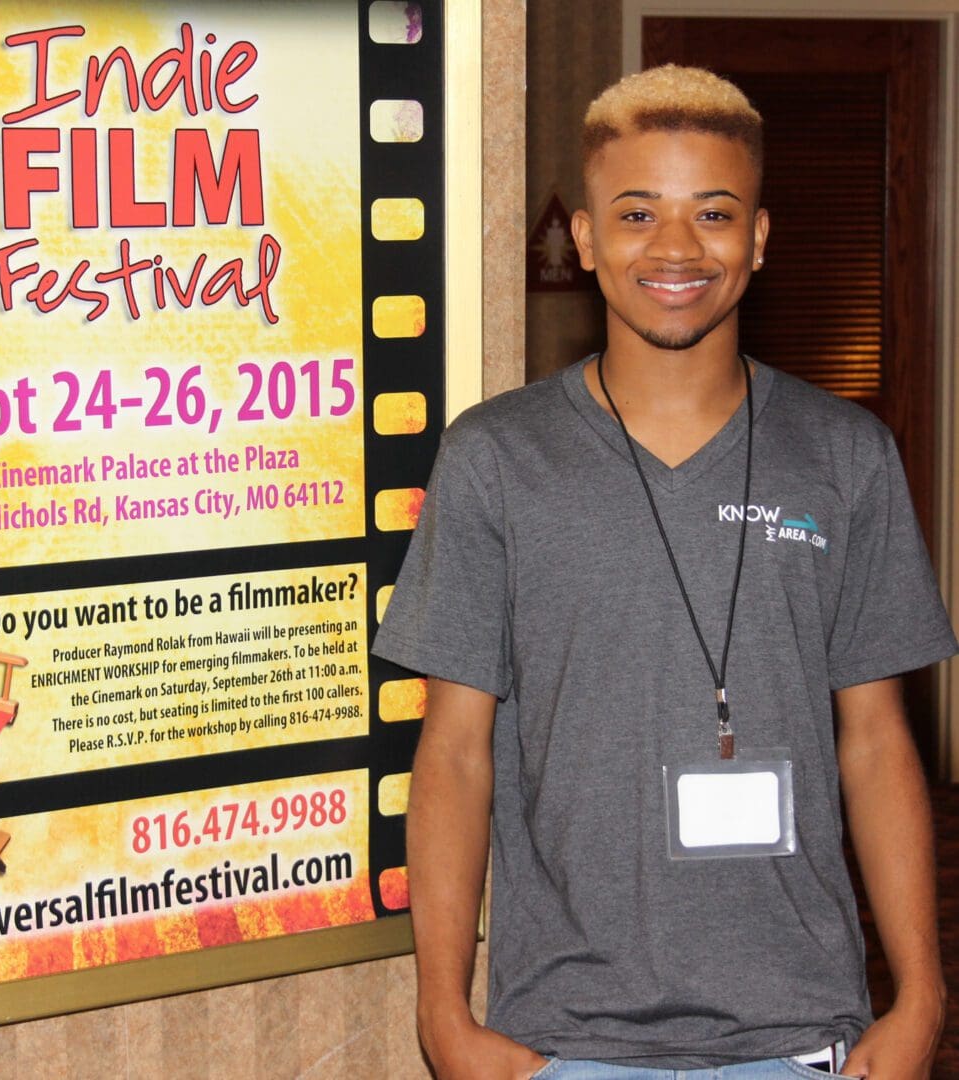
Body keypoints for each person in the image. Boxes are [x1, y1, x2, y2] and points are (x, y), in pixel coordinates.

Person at [372, 65, 956, 1079]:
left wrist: (918, 997)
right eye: (636, 212)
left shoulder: (845, 455)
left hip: (800, 1033)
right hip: (562, 1039)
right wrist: (441, 1014)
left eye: (712, 213)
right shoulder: (494, 460)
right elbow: (454, 752)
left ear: (759, 238)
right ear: (586, 237)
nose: (675, 248)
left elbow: (873, 742)